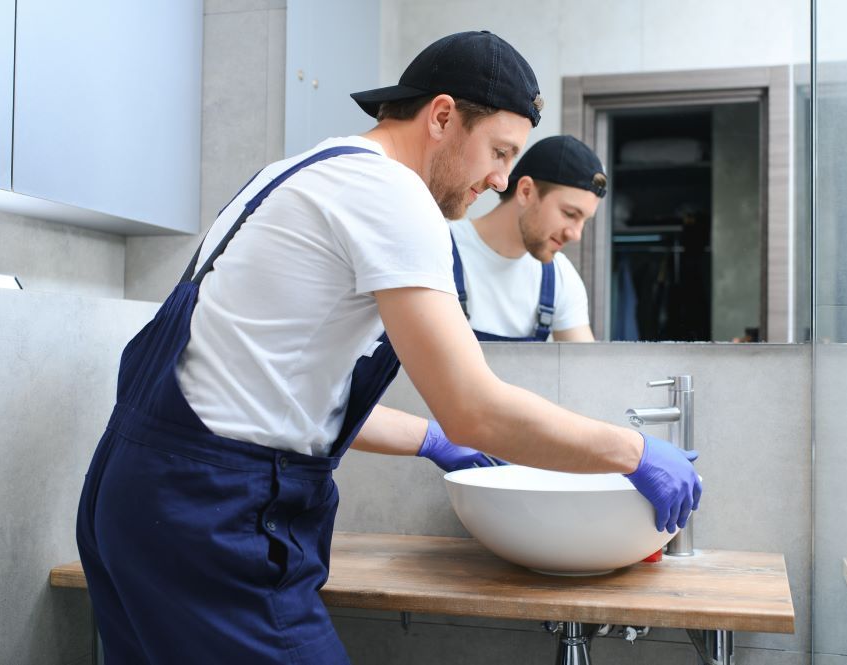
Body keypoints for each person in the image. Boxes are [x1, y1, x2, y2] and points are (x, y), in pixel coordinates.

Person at [75, 30, 701, 664]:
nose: (501, 179)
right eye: (499, 151)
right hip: (210, 519)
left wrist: (430, 439)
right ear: (442, 116)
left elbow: (268, 387)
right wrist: (635, 451)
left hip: (133, 495)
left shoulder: (302, 170)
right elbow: (475, 409)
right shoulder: (392, 196)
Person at [450, 134, 604, 341]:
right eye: (569, 214)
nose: (575, 234)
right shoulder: (439, 248)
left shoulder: (560, 276)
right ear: (525, 191)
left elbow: (584, 368)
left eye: (584, 220)